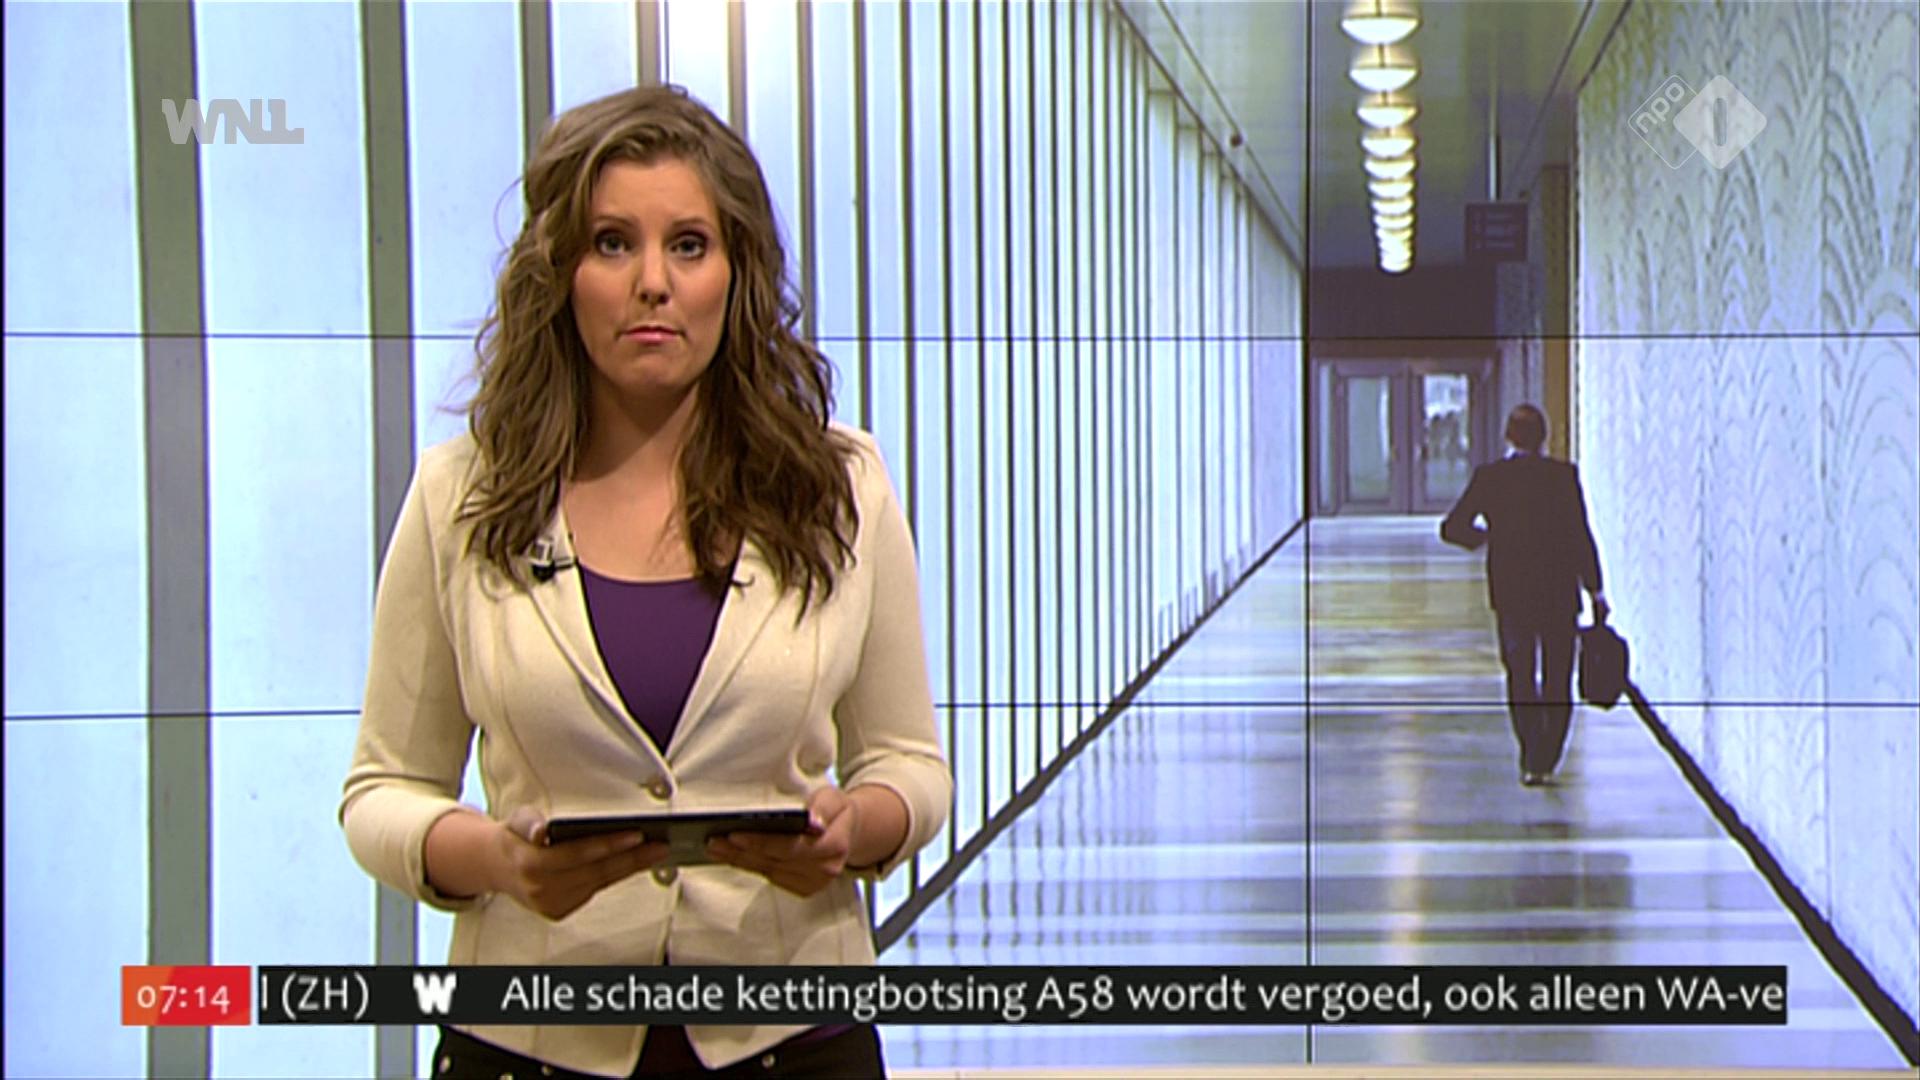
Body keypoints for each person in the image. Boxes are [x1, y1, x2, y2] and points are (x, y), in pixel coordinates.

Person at [340, 85, 951, 1079]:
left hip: (796, 1039)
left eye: (689, 246)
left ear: (737, 273)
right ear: (559, 272)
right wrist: (497, 862)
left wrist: (853, 830)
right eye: (613, 244)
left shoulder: (842, 486)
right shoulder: (461, 495)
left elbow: (911, 767)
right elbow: (384, 792)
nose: (653, 284)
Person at [1440, 404, 1608, 787]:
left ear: (1508, 436)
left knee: (1520, 674)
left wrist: (1488, 538)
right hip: (1558, 593)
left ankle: (1531, 755)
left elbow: (1452, 527)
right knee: (1558, 678)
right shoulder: (1563, 477)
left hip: (1512, 594)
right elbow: (1580, 537)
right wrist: (1595, 590)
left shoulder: (1491, 478)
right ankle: (1548, 756)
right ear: (1544, 438)